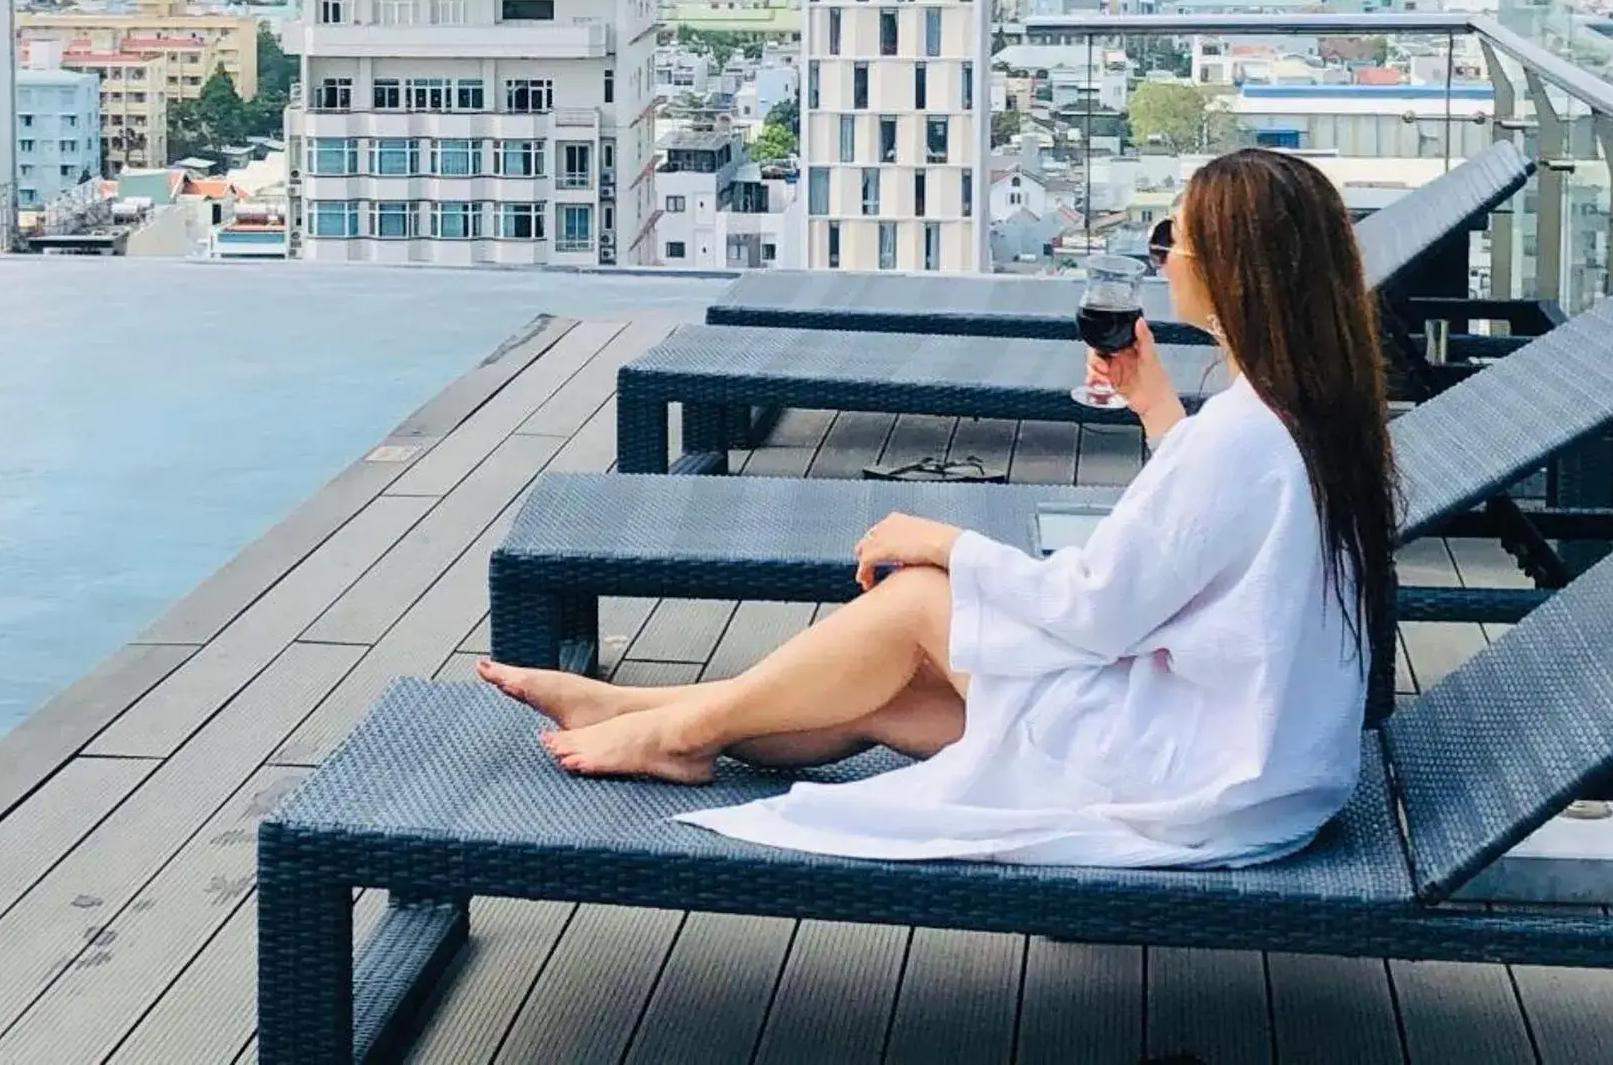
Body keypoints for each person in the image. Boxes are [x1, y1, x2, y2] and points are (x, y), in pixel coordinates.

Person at [477, 146, 1396, 867]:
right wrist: (1160, 412)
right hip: (1261, 763)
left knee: (918, 600)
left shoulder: (1245, 435)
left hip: (1202, 775)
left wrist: (949, 543)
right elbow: (1204, 555)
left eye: (1174, 241)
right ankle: (643, 707)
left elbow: (1099, 612)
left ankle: (678, 732)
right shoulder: (1309, 412)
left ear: (1229, 271)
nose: (1162, 259)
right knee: (895, 695)